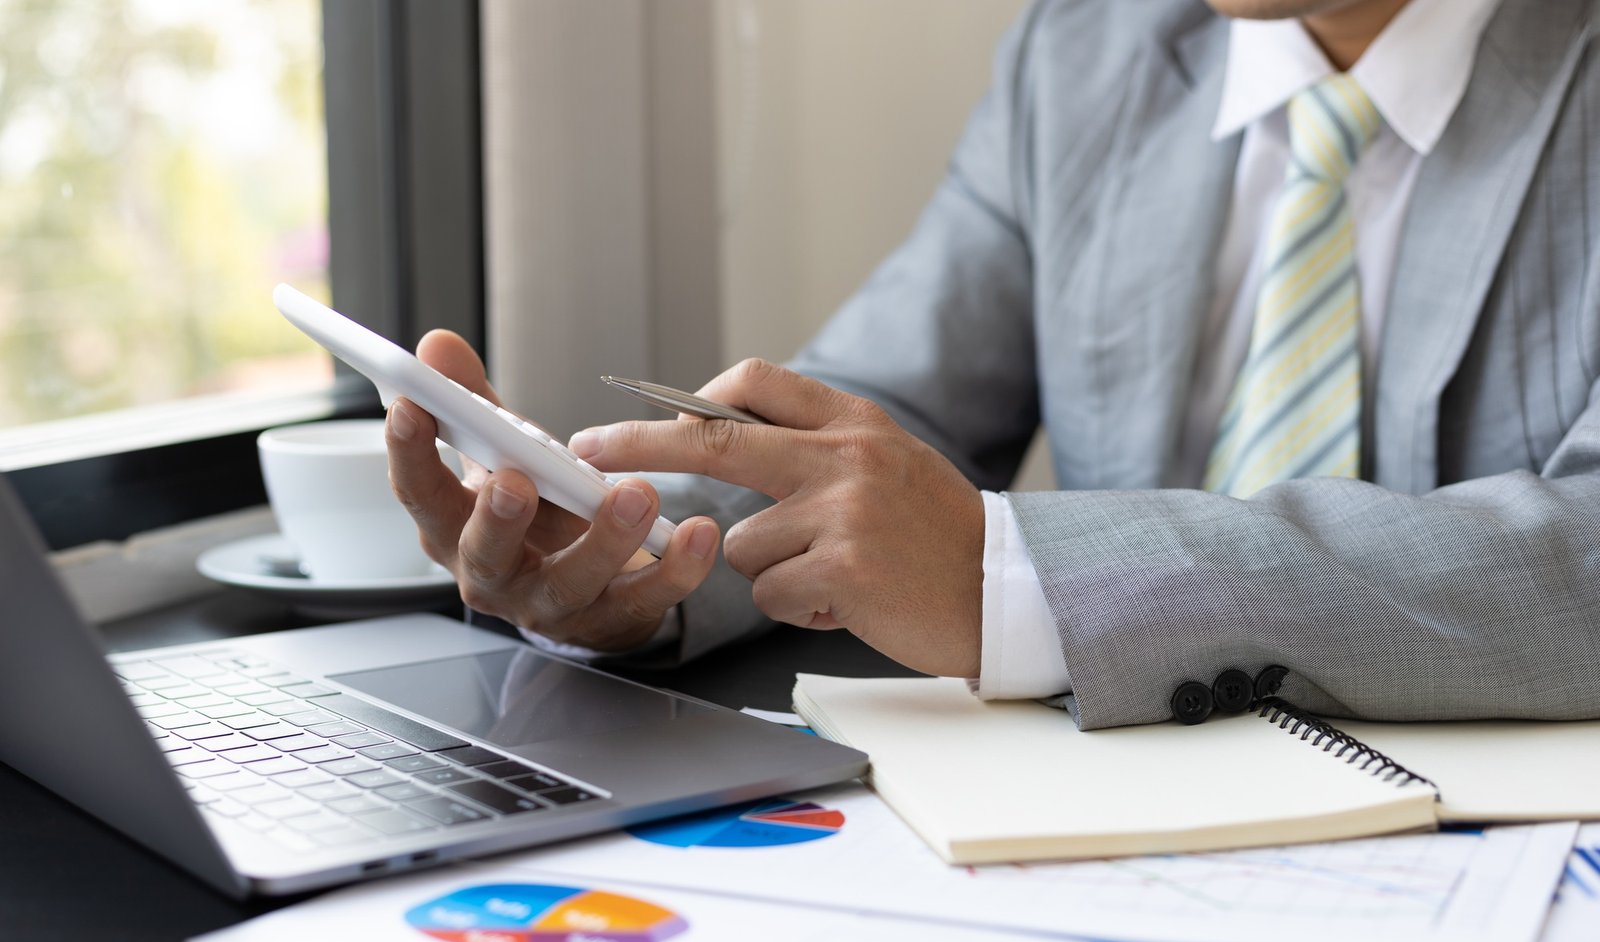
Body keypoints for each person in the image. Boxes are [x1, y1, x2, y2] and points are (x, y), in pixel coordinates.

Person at [387, 0, 1600, 730]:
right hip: (1097, 820)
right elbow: (889, 410)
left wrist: (1022, 578)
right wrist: (633, 550)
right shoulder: (1082, 58)